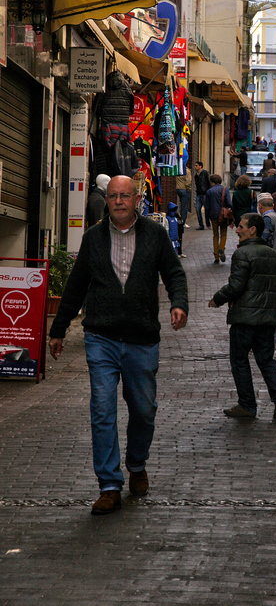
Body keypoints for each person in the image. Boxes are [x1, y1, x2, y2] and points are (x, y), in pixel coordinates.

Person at [48, 175, 188, 516]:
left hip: (142, 338)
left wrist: (178, 302)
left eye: (126, 195)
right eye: (114, 196)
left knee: (143, 409)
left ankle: (136, 465)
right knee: (102, 410)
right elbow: (76, 285)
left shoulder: (155, 235)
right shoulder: (94, 238)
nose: (120, 201)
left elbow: (174, 274)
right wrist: (59, 328)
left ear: (137, 198)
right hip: (102, 338)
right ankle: (109, 486)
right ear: (106, 199)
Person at [208, 213, 276, 419]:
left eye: (241, 226)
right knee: (266, 360)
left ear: (253, 229)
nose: (237, 229)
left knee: (239, 360)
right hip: (267, 320)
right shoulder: (275, 256)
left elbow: (236, 286)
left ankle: (247, 405)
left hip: (244, 319)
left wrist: (217, 299)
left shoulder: (243, 254)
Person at [204, 174, 233, 263]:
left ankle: (216, 256)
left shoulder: (209, 191)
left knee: (215, 235)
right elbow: (229, 203)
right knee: (223, 234)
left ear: (212, 182)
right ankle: (221, 248)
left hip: (213, 216)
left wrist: (207, 221)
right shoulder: (225, 189)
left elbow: (207, 207)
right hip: (223, 216)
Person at [257, 192, 276, 257]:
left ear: (260, 206)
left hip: (270, 257)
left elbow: (264, 240)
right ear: (273, 205)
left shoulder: (267, 219)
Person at [194, 161, 211, 230]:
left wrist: (209, 192)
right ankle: (201, 225)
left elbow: (209, 182)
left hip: (205, 194)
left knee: (207, 210)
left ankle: (208, 223)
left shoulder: (205, 173)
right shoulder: (196, 176)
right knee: (198, 210)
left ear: (200, 166)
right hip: (199, 194)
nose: (195, 167)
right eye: (195, 165)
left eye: (196, 165)